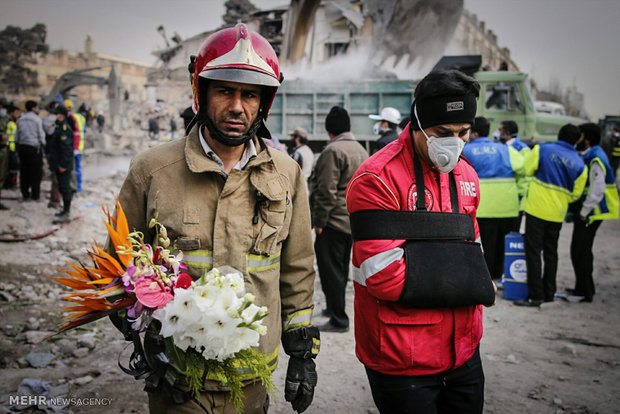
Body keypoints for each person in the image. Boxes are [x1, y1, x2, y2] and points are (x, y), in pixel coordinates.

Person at [114, 23, 319, 414]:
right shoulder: (152, 171)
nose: (237, 106)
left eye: (250, 94)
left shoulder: (286, 173)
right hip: (177, 379)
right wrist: (137, 324)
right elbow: (118, 262)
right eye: (225, 90)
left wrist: (303, 353)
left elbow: (297, 270)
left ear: (264, 103)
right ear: (201, 93)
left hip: (253, 380)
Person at [346, 69, 489, 413]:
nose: (453, 143)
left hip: (465, 352)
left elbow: (476, 256)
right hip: (402, 357)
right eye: (442, 133)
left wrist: (430, 262)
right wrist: (468, 282)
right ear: (419, 124)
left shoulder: (467, 174)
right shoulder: (375, 179)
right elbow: (385, 277)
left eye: (462, 133)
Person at [309, 106, 368, 333]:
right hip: (351, 221)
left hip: (333, 221)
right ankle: (334, 309)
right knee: (340, 270)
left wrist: (320, 222)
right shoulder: (360, 150)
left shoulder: (332, 151)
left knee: (330, 270)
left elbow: (326, 190)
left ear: (329, 130)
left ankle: (338, 319)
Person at [515, 124, 587, 307]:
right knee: (551, 253)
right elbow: (576, 194)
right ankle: (549, 293)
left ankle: (535, 295)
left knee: (533, 252)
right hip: (557, 213)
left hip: (536, 209)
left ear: (559, 134)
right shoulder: (580, 164)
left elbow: (526, 169)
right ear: (577, 140)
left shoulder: (542, 149)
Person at [462, 116, 524, 281]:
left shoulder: (466, 150)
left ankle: (485, 277)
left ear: (473, 132)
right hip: (508, 206)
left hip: (483, 207)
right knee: (502, 245)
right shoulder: (506, 150)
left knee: (485, 244)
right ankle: (499, 275)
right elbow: (523, 170)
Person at [566, 123, 619, 303]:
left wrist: (584, 210)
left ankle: (584, 292)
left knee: (581, 251)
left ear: (586, 139)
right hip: (590, 212)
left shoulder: (596, 158)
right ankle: (584, 287)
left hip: (591, 213)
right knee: (581, 250)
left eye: (580, 136)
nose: (577, 140)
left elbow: (597, 188)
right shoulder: (593, 154)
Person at [499, 120, 531, 230]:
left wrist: (520, 196)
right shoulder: (501, 147)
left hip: (516, 199)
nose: (498, 133)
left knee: (511, 232)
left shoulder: (522, 149)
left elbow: (526, 175)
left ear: (507, 133)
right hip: (505, 197)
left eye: (500, 130)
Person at [48, 105, 75, 224]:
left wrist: (63, 165)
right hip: (58, 163)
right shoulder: (59, 127)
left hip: (63, 165)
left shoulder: (64, 128)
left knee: (65, 188)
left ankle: (66, 213)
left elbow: (67, 149)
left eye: (57, 113)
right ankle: (64, 210)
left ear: (62, 115)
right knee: (62, 188)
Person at [15, 100, 45, 201]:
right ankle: (35, 196)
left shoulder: (20, 119)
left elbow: (17, 136)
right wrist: (43, 145)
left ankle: (25, 195)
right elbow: (41, 136)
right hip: (34, 149)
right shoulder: (37, 120)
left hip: (22, 148)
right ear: (34, 108)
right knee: (36, 173)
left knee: (24, 172)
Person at [65, 99, 86, 193]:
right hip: (80, 147)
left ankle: (72, 187)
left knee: (71, 168)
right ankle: (79, 187)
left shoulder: (68, 117)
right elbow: (84, 131)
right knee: (78, 168)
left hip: (71, 147)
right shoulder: (81, 117)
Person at [4, 104, 21, 190]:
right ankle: (10, 183)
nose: (18, 114)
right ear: (11, 113)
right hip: (8, 147)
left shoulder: (15, 122)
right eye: (17, 112)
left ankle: (10, 183)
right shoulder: (8, 122)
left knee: (13, 168)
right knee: (10, 168)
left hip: (13, 147)